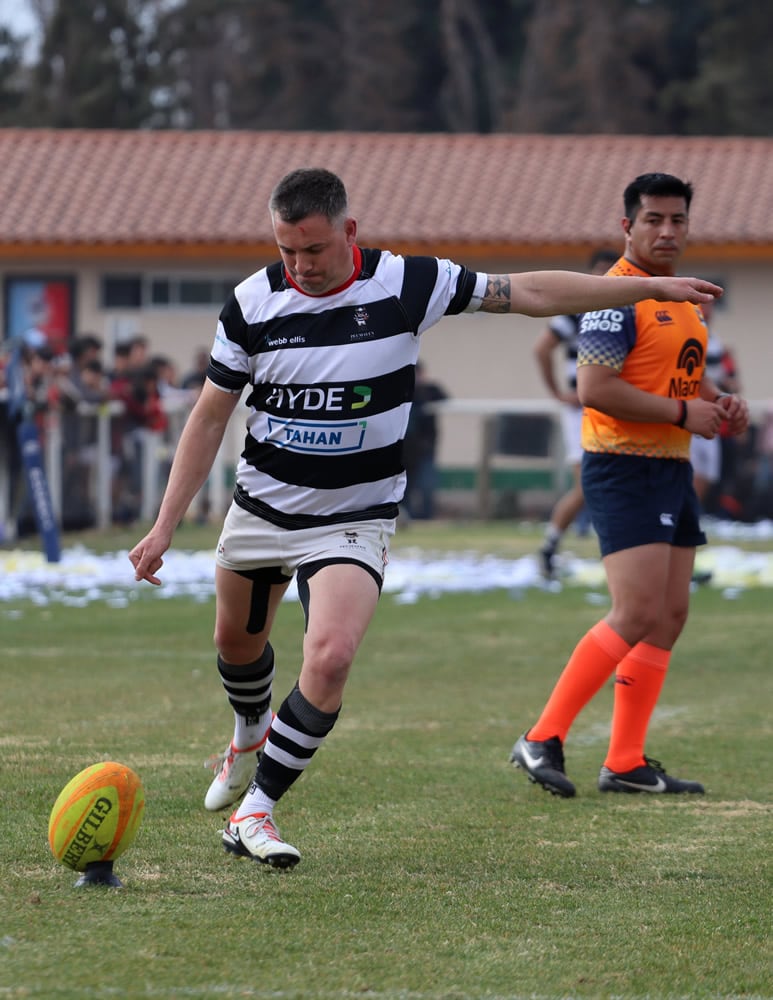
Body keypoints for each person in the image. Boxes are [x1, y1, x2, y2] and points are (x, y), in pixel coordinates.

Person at [129, 167, 723, 868]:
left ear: (349, 232)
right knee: (236, 646)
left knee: (331, 655)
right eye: (287, 251)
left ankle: (257, 810)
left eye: (313, 250)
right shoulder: (252, 303)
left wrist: (643, 285)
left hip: (355, 515)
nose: (300, 267)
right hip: (261, 507)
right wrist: (165, 524)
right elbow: (208, 417)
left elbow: (529, 291)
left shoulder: (409, 283)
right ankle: (248, 730)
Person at [511, 172, 749, 799]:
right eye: (653, 220)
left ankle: (625, 761)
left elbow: (683, 382)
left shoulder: (686, 300)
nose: (667, 231)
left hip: (670, 469)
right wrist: (680, 415)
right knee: (637, 611)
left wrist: (720, 403)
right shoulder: (614, 296)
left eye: (677, 220)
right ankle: (541, 736)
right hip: (623, 466)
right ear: (628, 227)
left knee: (668, 617)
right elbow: (596, 390)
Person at [535, 248, 619, 578]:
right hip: (583, 410)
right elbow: (542, 347)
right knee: (587, 483)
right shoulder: (577, 310)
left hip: (614, 408)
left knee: (615, 480)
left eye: (610, 272)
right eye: (599, 271)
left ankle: (626, 554)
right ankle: (549, 549)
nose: (604, 279)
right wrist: (558, 393)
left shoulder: (623, 311)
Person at [689, 297, 739, 511]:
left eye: (710, 306)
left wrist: (726, 388)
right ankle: (686, 514)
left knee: (708, 471)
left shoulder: (715, 341)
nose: (708, 310)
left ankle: (691, 513)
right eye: (704, 305)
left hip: (711, 411)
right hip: (691, 408)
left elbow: (715, 376)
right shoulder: (689, 334)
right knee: (691, 467)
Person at [402, 360, 448, 519]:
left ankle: (426, 517)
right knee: (405, 486)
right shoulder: (402, 390)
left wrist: (423, 387)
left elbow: (445, 399)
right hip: (405, 449)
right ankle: (407, 516)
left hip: (425, 448)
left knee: (427, 485)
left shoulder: (430, 390)